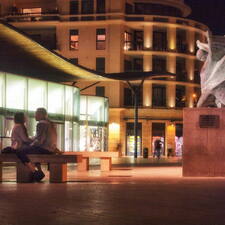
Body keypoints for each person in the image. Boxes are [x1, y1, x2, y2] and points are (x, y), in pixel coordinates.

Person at [16, 108, 58, 182]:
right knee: (31, 151)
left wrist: (30, 145)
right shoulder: (50, 123)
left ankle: (35, 172)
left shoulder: (41, 124)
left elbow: (39, 141)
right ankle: (39, 170)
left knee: (20, 151)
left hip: (45, 148)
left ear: (41, 115)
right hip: (50, 148)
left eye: (36, 113)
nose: (34, 115)